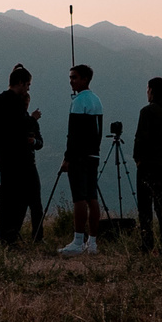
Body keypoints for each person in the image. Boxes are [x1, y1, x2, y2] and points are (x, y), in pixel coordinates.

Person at [0, 64, 44, 247]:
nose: (28, 88)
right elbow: (20, 125)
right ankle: (9, 236)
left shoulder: (0, 100)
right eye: (27, 84)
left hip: (4, 155)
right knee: (17, 197)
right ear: (20, 83)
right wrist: (33, 120)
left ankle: (7, 235)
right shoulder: (13, 101)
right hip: (16, 157)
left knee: (11, 196)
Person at [57, 64, 105, 256]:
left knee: (79, 198)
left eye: (74, 77)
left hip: (79, 157)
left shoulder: (78, 102)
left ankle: (78, 241)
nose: (71, 81)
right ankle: (92, 243)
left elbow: (73, 134)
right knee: (92, 198)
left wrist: (68, 158)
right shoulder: (97, 100)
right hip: (94, 155)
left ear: (84, 79)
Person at [133, 77, 162, 250]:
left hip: (146, 164)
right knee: (161, 204)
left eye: (148, 89)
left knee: (145, 206)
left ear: (152, 91)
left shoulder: (146, 112)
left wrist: (138, 159)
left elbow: (140, 138)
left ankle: (147, 242)